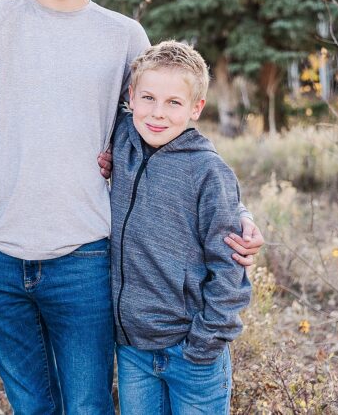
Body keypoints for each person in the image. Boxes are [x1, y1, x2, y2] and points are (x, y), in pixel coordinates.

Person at [0, 0, 261, 414]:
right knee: (31, 406)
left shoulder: (123, 35)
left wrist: (237, 215)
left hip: (86, 255)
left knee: (88, 406)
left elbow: (159, 138)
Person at [113, 40, 252, 414]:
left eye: (174, 102)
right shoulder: (123, 138)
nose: (158, 113)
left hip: (192, 355)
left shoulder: (207, 171)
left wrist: (204, 343)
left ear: (196, 108)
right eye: (148, 98)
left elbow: (230, 267)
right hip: (133, 352)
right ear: (131, 97)